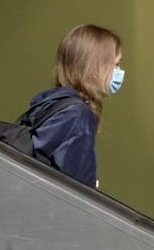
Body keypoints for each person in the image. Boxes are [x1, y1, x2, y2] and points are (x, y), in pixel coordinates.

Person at [22, 23, 125, 188]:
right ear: (96, 67)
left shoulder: (52, 106)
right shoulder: (77, 115)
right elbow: (76, 190)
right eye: (116, 64)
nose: (119, 72)